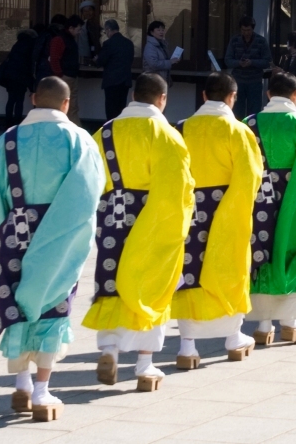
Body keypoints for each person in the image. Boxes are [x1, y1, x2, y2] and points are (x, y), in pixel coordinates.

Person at [0, 76, 105, 421]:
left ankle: (22, 384)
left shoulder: (6, 141)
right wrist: (71, 235)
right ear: (66, 104)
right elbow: (86, 195)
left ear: (33, 98)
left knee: (16, 298)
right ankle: (41, 389)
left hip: (15, 229)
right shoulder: (78, 139)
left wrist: (0, 236)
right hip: (60, 229)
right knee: (53, 300)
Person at [81, 73, 194, 391]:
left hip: (112, 220)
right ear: (162, 99)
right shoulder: (167, 135)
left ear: (132, 94)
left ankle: (109, 350)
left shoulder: (103, 133)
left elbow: (87, 180)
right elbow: (180, 187)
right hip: (153, 219)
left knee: (112, 282)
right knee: (153, 285)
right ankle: (145, 365)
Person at [172, 73, 263, 368]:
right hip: (227, 206)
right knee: (232, 266)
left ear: (203, 96)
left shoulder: (182, 128)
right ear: (232, 97)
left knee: (189, 271)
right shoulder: (238, 131)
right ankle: (233, 336)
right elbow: (252, 175)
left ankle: (187, 345)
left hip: (190, 211)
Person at [244, 71, 296, 345]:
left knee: (260, 256)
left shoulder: (249, 123)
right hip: (293, 204)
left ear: (268, 94)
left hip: (257, 204)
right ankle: (291, 323)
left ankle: (263, 324)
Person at [224, 16, 273, 118]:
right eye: (243, 30)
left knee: (254, 112)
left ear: (253, 29)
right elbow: (227, 60)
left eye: (248, 30)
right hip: (238, 80)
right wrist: (238, 63)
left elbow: (267, 61)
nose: (246, 33)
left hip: (255, 81)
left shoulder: (261, 41)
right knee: (237, 111)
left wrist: (252, 62)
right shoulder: (234, 40)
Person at [0, 28, 38, 128]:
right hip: (21, 76)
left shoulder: (18, 43)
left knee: (11, 100)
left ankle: (8, 122)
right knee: (19, 101)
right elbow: (28, 64)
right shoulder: (31, 44)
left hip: (10, 75)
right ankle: (17, 123)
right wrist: (32, 86)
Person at [95, 19, 135, 121]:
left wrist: (96, 59)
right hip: (125, 81)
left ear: (108, 29)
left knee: (111, 111)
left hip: (112, 81)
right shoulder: (129, 43)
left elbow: (100, 62)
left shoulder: (109, 43)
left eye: (105, 32)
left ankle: (111, 133)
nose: (106, 34)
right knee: (121, 109)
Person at [142, 20, 178, 86]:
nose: (161, 32)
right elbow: (153, 64)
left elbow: (164, 61)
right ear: (151, 32)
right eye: (158, 30)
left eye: (163, 30)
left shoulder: (162, 45)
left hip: (160, 80)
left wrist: (174, 60)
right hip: (152, 82)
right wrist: (170, 62)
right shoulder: (150, 46)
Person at [275, 31, 296, 96]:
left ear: (293, 43)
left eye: (288, 41)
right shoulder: (290, 56)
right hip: (288, 90)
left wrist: (282, 72)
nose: (287, 42)